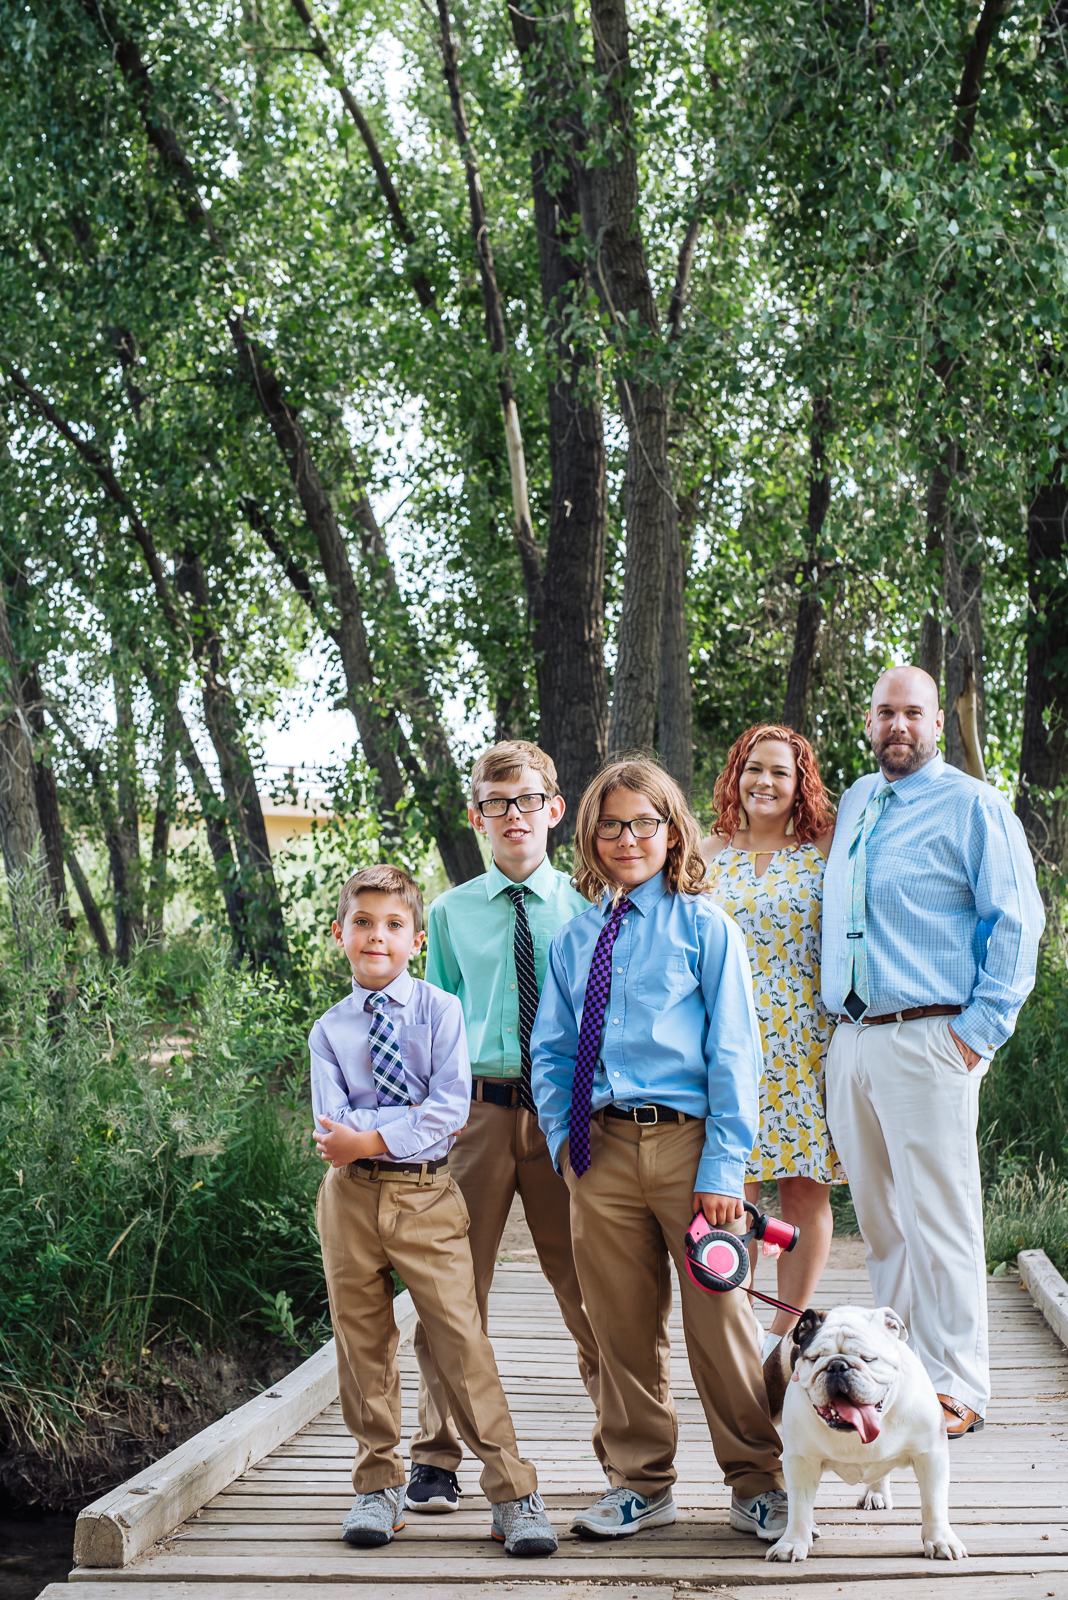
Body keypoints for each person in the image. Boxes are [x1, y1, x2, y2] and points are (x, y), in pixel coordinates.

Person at [532, 757, 787, 1543]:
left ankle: (757, 1480)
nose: (626, 837)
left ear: (671, 831)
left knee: (723, 1322)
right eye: (610, 824)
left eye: (644, 822)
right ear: (591, 836)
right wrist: (564, 1141)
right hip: (600, 1150)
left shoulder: (706, 926)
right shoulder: (577, 938)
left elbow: (735, 1054)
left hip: (690, 1149)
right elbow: (552, 1051)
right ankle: (641, 1483)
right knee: (619, 1327)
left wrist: (724, 1169)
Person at [821, 666, 1045, 1438]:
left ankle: (959, 1386)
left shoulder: (975, 807)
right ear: (871, 720)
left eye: (912, 713)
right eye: (885, 712)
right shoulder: (855, 799)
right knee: (882, 1222)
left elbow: (1017, 924)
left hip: (930, 1035)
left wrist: (975, 1035)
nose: (898, 726)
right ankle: (896, 1375)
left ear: (936, 725)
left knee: (941, 1219)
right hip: (852, 1041)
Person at [310, 863, 558, 1556]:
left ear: (416, 939)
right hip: (350, 1200)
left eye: (393, 925)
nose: (377, 937)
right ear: (340, 935)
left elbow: (449, 1110)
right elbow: (332, 1128)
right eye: (363, 923)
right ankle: (378, 1486)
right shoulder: (328, 1032)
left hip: (425, 1195)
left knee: (459, 1337)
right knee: (363, 1344)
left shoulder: (441, 1012)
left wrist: (376, 1130)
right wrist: (377, 1130)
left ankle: (512, 1492)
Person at [408, 741, 602, 1513]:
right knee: (452, 1286)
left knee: (590, 1283)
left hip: (565, 1115)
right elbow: (435, 1022)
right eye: (496, 804)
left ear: (555, 810)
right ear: (476, 815)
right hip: (478, 1116)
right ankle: (434, 1453)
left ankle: (623, 1446)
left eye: (527, 801)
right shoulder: (451, 913)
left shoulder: (589, 907)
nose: (513, 816)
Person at [700, 724, 843, 1361]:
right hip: (726, 1044)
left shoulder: (824, 850)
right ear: (736, 775)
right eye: (753, 769)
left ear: (800, 783)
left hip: (805, 1045)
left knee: (803, 1191)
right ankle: (736, 1335)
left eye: (780, 772)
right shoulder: (706, 854)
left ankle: (783, 1341)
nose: (764, 782)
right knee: (733, 1190)